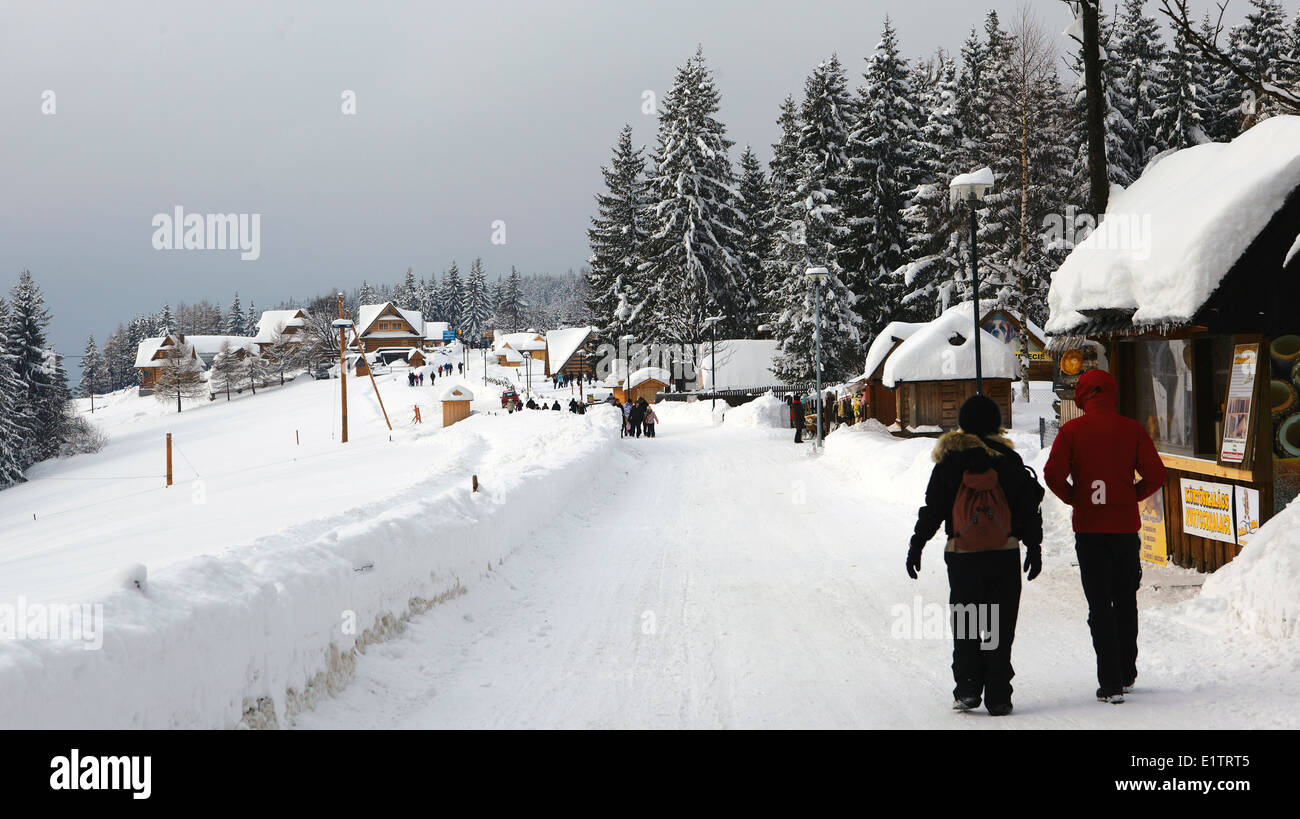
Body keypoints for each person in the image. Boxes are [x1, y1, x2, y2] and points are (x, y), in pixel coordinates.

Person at [907, 394, 1044, 717]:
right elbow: (1027, 508)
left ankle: (968, 689)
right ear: (995, 424)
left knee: (968, 620)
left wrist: (918, 543)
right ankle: (998, 695)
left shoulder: (949, 462)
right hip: (1003, 552)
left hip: (963, 554)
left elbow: (935, 507)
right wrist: (1034, 546)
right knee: (999, 623)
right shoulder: (1006, 460)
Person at [1044, 368, 1167, 705]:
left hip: (1090, 529)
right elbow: (1156, 475)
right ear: (1113, 393)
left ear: (1082, 396)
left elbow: (1052, 474)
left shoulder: (1071, 431)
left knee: (1099, 603)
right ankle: (1127, 670)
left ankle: (1109, 680)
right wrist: (1132, 495)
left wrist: (1074, 497)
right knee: (1126, 598)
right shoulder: (1132, 430)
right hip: (1125, 528)